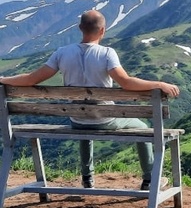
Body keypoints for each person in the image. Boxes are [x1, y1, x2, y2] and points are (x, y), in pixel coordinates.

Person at [0, 10, 180, 190]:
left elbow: (31, 79)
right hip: (106, 120)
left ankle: (87, 178)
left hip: (76, 120)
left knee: (84, 119)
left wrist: (3, 79)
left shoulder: (61, 53)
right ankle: (149, 179)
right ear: (103, 30)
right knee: (142, 127)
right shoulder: (107, 53)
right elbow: (126, 82)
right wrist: (159, 83)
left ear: (80, 28)